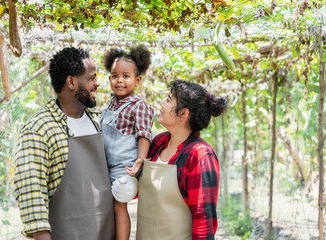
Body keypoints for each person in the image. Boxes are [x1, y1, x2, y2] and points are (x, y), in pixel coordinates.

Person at [14, 47, 115, 240]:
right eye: (91, 78)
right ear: (71, 82)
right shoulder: (40, 129)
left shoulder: (101, 122)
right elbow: (31, 193)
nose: (98, 83)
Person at [128, 79, 227, 240]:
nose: (161, 104)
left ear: (183, 113)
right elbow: (144, 191)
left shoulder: (200, 155)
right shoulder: (159, 142)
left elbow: (203, 222)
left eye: (168, 100)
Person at [101, 45, 154, 240]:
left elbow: (143, 135)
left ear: (137, 80)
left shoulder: (139, 106)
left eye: (126, 76)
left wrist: (140, 160)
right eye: (115, 76)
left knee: (119, 205)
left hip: (125, 167)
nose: (119, 81)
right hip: (105, 164)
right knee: (107, 205)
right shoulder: (111, 102)